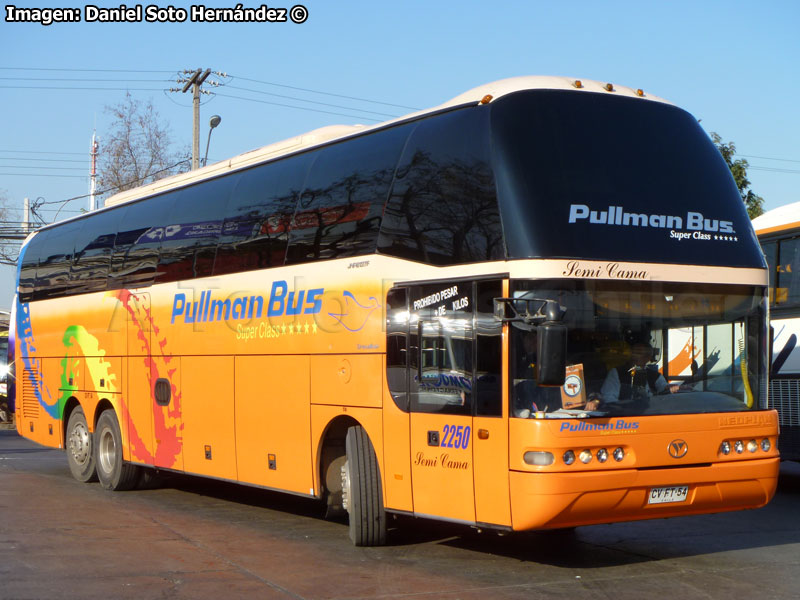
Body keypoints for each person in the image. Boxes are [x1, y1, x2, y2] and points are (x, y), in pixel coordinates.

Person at [585, 341, 676, 410]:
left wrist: (671, 388)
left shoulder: (655, 376)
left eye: (639, 353)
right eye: (634, 353)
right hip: (625, 416)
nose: (635, 356)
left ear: (648, 357)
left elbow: (664, 389)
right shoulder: (617, 372)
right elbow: (609, 398)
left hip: (650, 413)